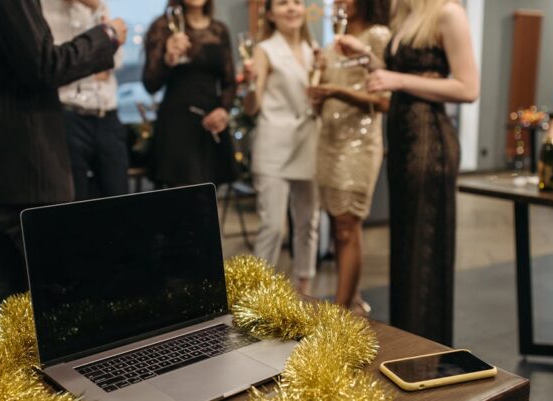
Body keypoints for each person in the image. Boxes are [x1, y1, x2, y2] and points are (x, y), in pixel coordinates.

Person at [0, 0, 127, 325]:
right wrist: (107, 36)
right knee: (64, 300)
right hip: (19, 164)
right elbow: (45, 64)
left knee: (4, 300)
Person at [340, 0, 479, 345]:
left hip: (429, 144)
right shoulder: (405, 14)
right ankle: (411, 346)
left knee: (424, 251)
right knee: (405, 249)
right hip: (404, 143)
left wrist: (395, 79)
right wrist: (369, 59)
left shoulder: (448, 13)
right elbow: (402, 74)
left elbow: (467, 88)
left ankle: (428, 352)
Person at [308, 0, 390, 314]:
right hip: (327, 141)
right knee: (336, 224)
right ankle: (352, 301)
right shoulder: (330, 47)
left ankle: (341, 311)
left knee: (347, 224)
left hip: (360, 143)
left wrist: (335, 92)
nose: (340, 2)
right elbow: (318, 100)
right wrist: (317, 88)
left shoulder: (377, 37)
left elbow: (383, 101)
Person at [243, 0, 319, 295]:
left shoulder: (316, 52)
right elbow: (252, 107)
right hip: (274, 147)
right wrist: (250, 86)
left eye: (297, 2)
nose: (291, 8)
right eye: (283, 3)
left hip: (309, 143)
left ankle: (305, 290)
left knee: (308, 223)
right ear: (270, 14)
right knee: (273, 226)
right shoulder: (265, 50)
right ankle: (257, 297)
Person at [143, 0, 238, 187]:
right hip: (176, 123)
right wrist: (167, 59)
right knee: (182, 198)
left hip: (211, 120)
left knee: (208, 198)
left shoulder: (219, 29)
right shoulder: (163, 26)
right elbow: (150, 84)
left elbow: (229, 82)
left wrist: (224, 111)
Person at [42, 0, 129, 200]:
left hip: (106, 114)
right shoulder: (43, 8)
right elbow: (51, 67)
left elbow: (116, 60)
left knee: (119, 197)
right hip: (68, 116)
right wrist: (93, 66)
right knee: (74, 198)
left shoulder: (99, 7)